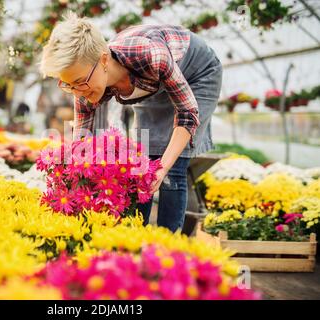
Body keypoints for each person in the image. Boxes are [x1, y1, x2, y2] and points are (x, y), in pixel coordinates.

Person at [39, 13, 222, 233]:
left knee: (171, 168)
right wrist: (76, 176)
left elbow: (187, 112)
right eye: (69, 85)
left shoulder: (151, 56)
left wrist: (162, 168)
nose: (77, 92)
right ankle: (134, 234)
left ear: (104, 60)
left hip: (197, 74)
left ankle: (169, 243)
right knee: (142, 163)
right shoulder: (85, 83)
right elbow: (82, 135)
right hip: (154, 81)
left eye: (80, 82)